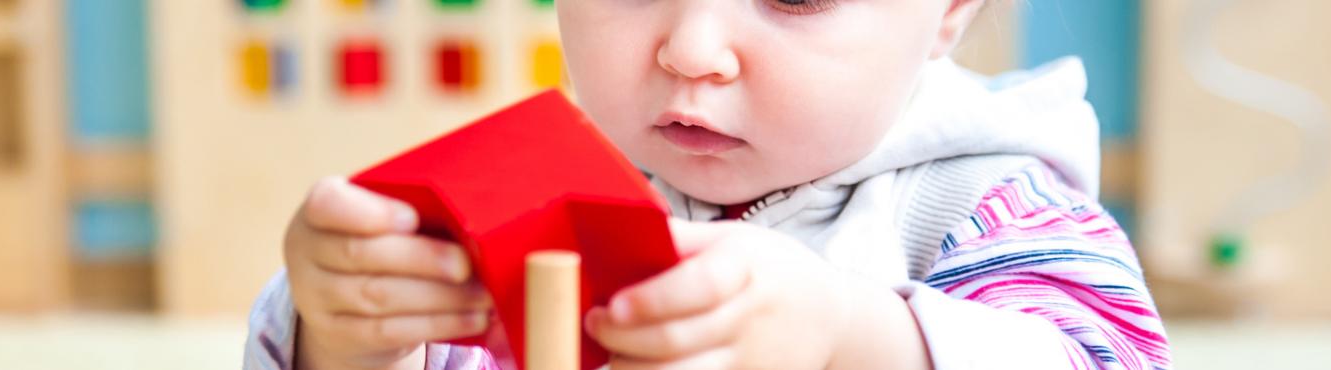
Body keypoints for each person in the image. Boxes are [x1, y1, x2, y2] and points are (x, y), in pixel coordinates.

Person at [246, 0, 1171, 368]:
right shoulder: (538, 188)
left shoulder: (992, 205)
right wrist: (345, 331)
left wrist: (852, 338)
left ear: (953, 11)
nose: (690, 47)